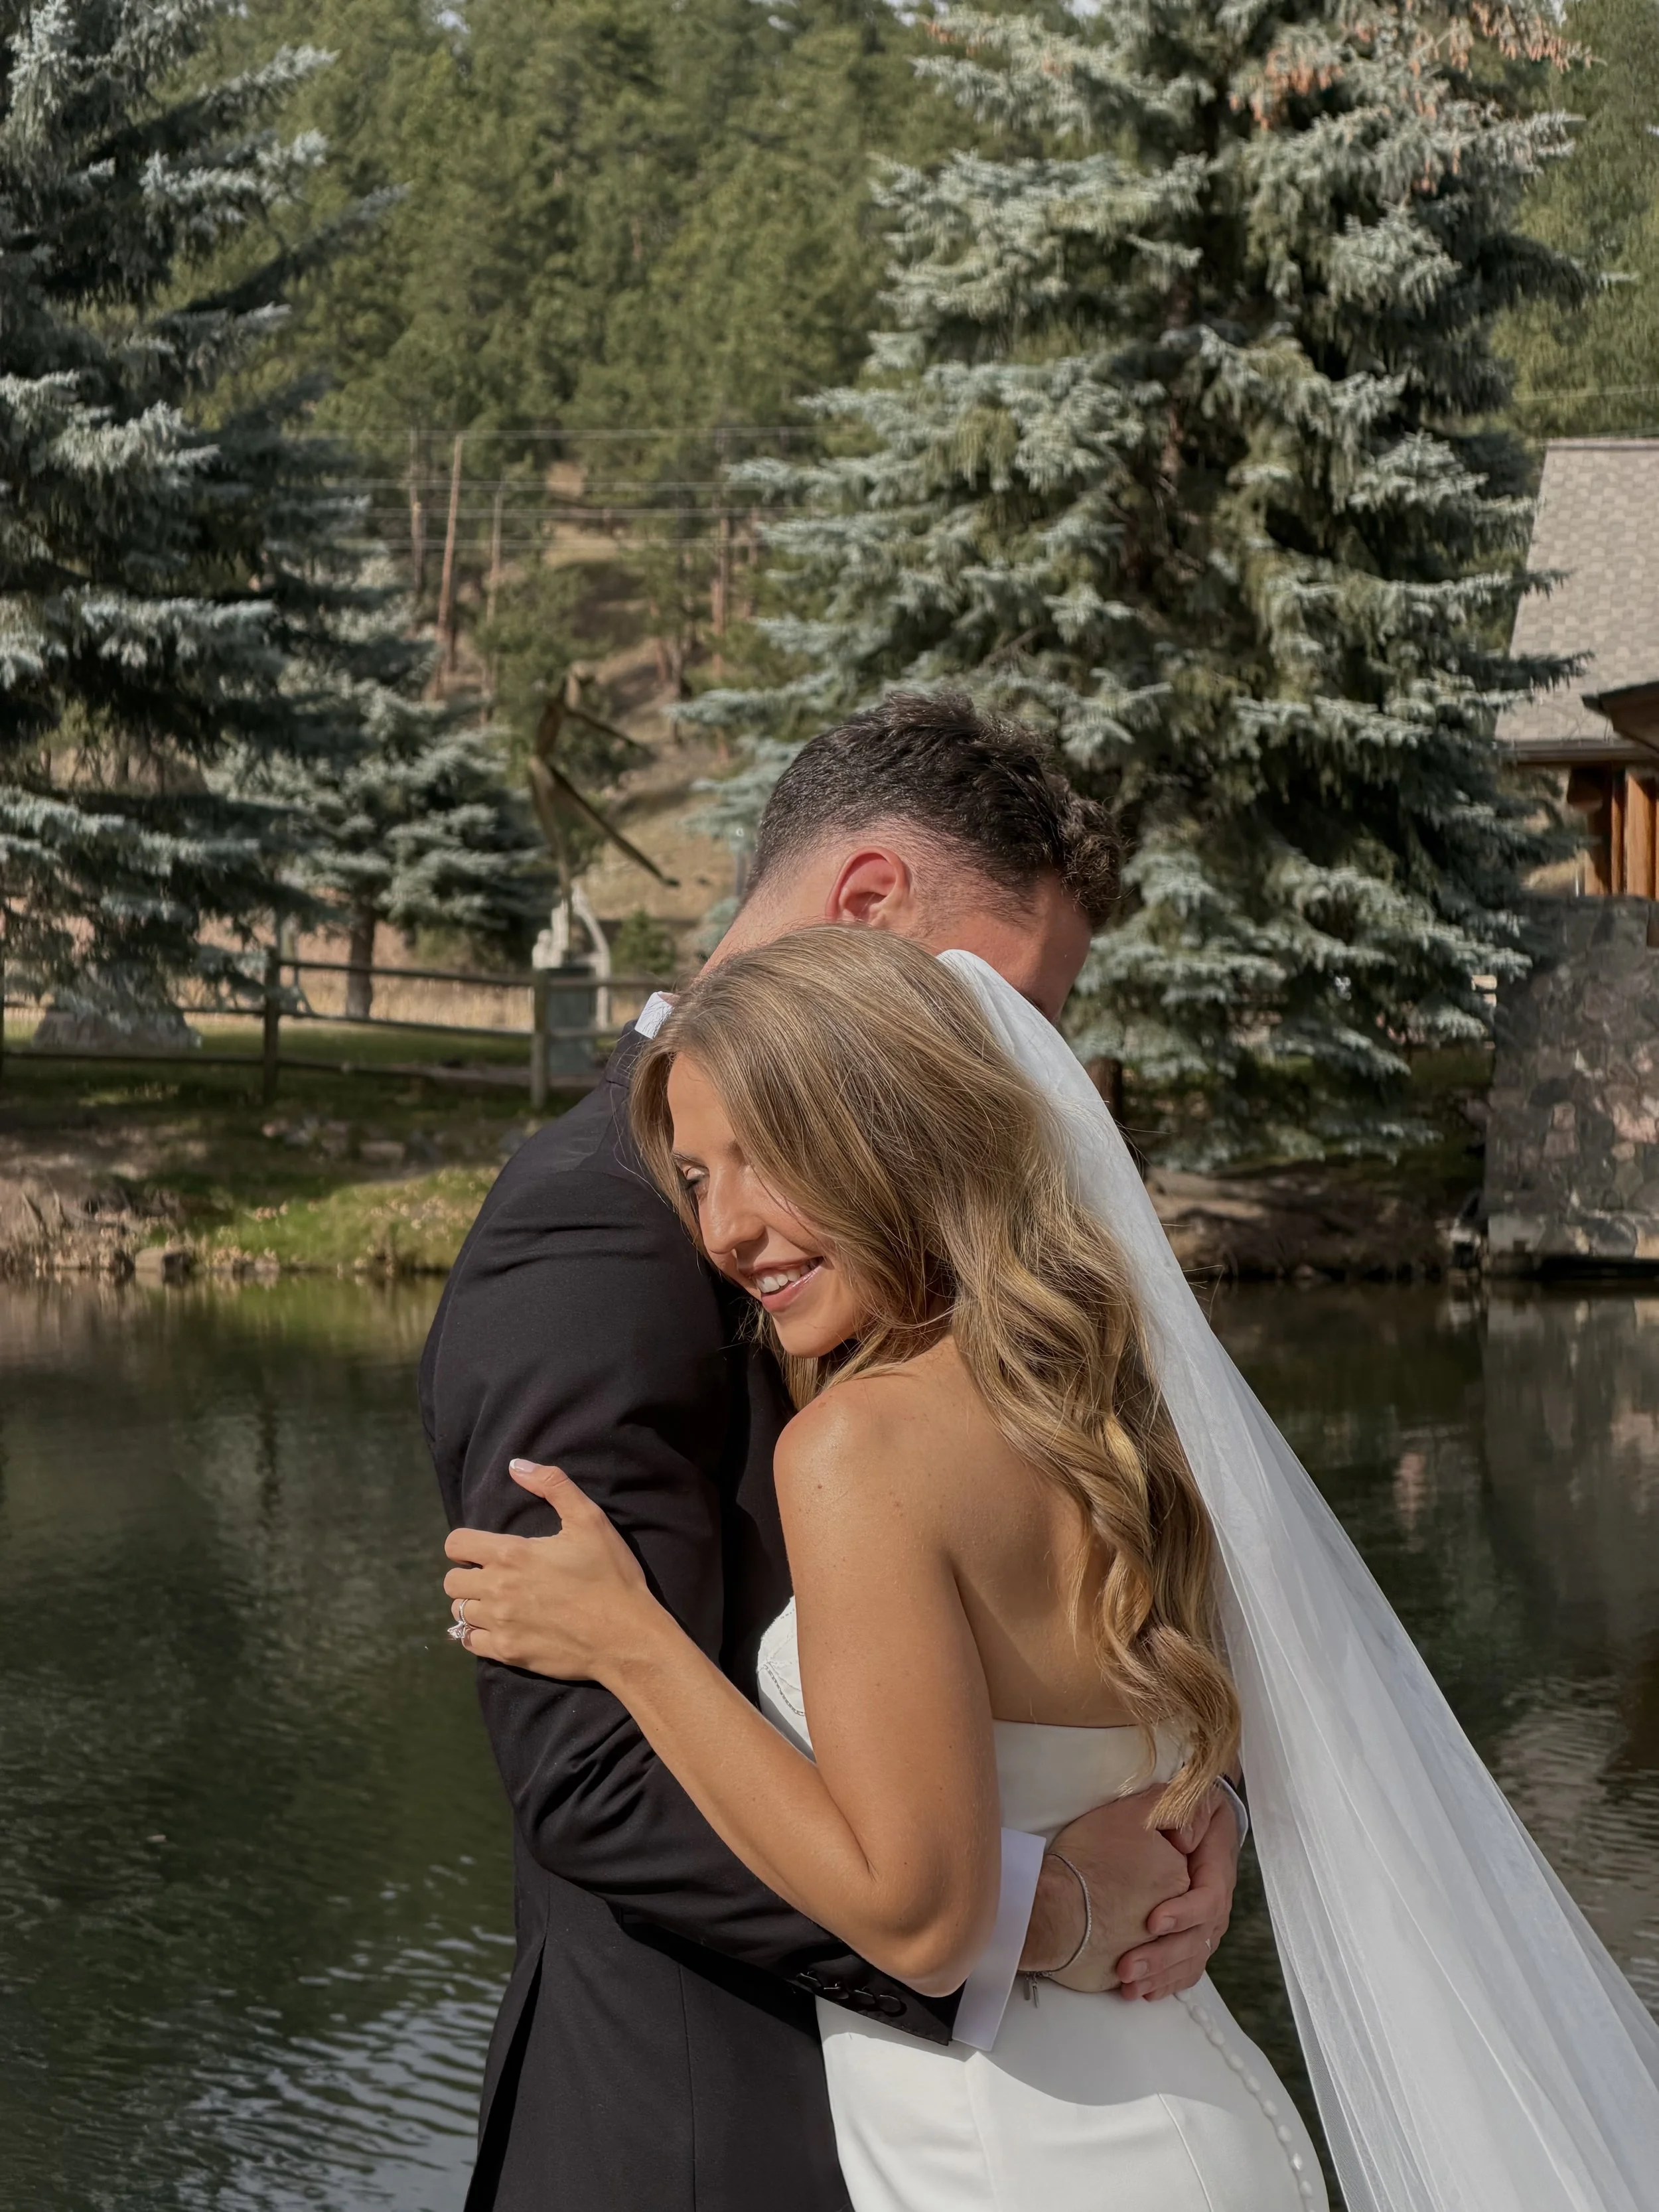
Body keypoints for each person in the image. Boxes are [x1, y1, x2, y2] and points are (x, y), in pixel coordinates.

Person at [447, 930, 1659, 2212]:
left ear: (891, 1135)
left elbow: (917, 1917)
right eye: (697, 1175)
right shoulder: (1109, 1407)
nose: (727, 1229)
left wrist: (632, 1642)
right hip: (1189, 2105)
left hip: (1024, 2154)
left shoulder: (856, 1450)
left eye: (771, 1157)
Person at [418, 694, 1246, 2212]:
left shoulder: (990, 1299)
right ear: (868, 904)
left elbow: (1115, 1623)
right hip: (718, 2123)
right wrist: (1046, 1917)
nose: (1021, 1060)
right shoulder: (593, 1225)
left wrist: (1193, 1833)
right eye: (1008, 1000)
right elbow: (589, 1774)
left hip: (1019, 2110)